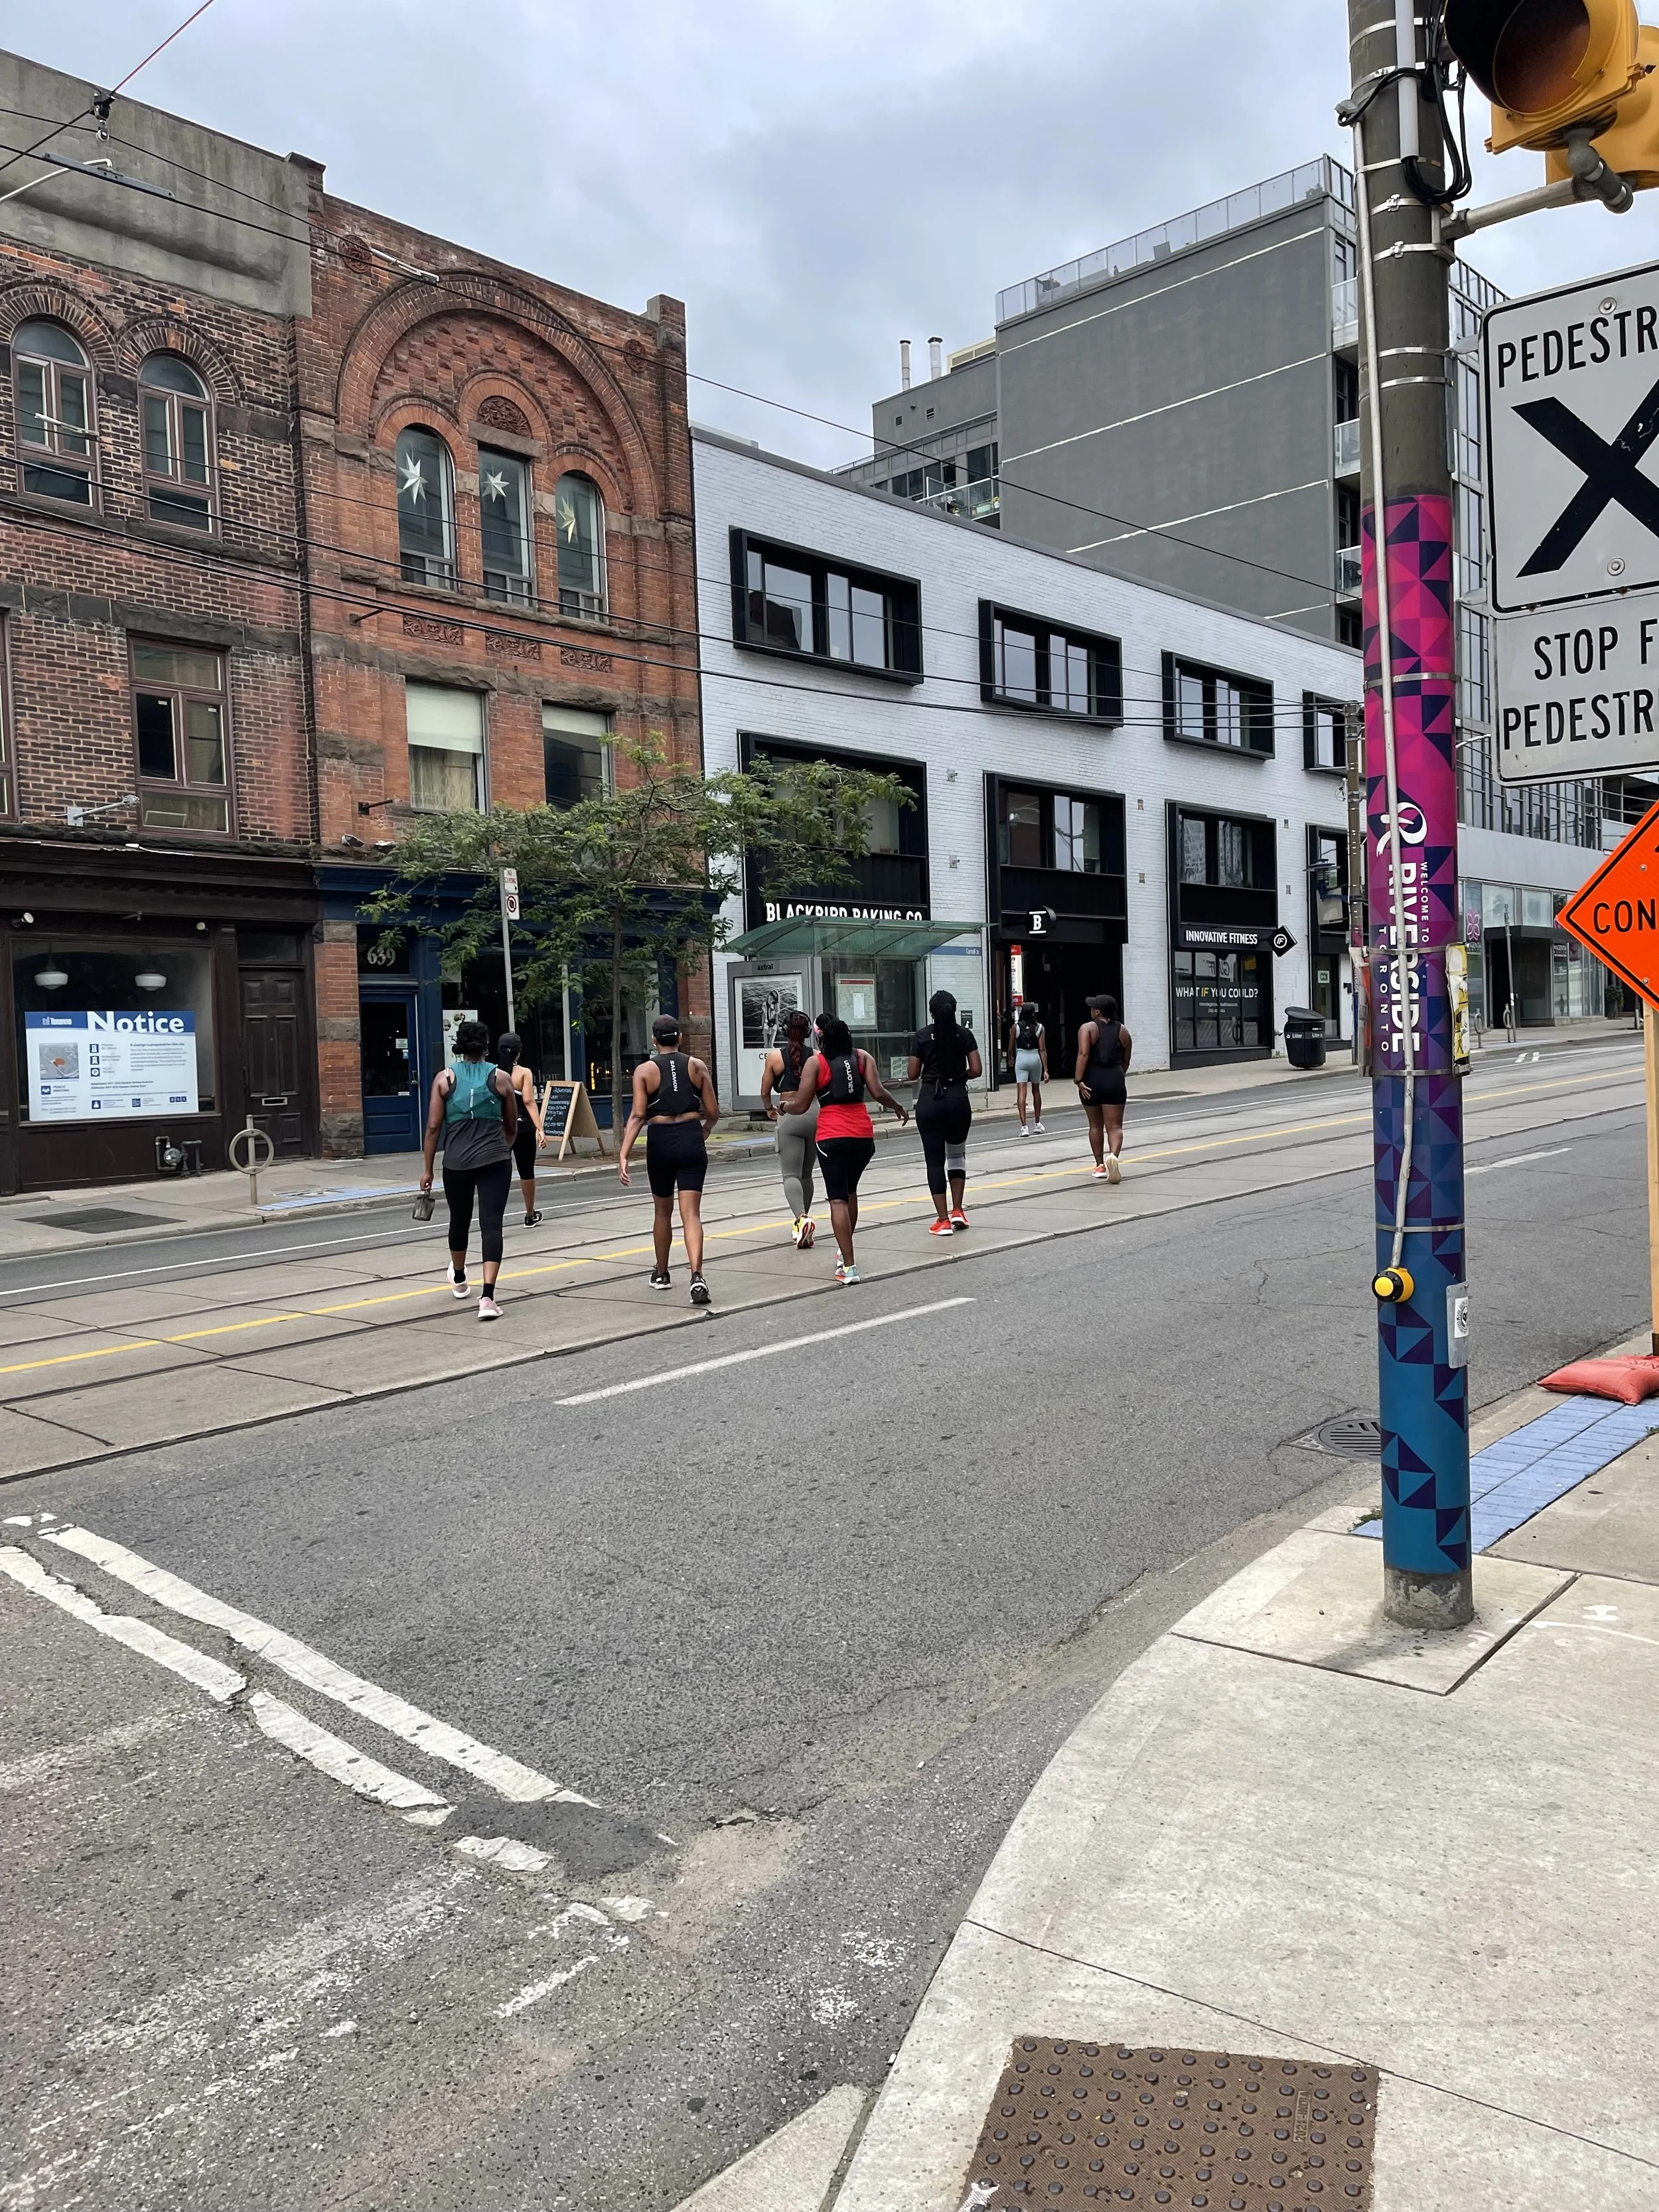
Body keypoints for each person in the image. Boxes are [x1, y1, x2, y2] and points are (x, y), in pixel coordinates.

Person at [786, 1014, 908, 1285]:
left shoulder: (815, 1063)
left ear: (822, 1039)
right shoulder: (863, 1058)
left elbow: (802, 1104)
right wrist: (897, 1105)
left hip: (832, 1137)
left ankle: (849, 1267)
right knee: (851, 1192)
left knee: (837, 1199)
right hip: (863, 1137)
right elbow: (877, 1091)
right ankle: (844, 1253)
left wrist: (784, 1107)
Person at [420, 1017, 518, 1321]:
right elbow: (512, 1125)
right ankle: (487, 1298)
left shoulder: (444, 1079)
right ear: (487, 1047)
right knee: (492, 1225)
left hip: (457, 1162)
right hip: (495, 1160)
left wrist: (428, 1170)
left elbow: (434, 1127)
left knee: (459, 1220)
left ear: (459, 1046)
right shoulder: (501, 1079)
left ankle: (460, 1278)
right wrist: (502, 1149)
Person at [618, 1013, 720, 1305]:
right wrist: (705, 1131)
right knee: (692, 1214)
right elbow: (712, 1111)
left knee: (663, 1212)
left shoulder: (644, 1071)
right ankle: (697, 1275)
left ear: (653, 1039)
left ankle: (662, 1273)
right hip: (690, 1137)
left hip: (660, 1141)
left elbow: (638, 1115)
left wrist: (624, 1154)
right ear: (680, 1038)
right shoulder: (697, 1066)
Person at [907, 990, 982, 1234]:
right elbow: (977, 1069)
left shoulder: (921, 1036)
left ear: (932, 1012)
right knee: (957, 1154)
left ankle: (942, 1220)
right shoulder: (964, 1034)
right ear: (954, 1009)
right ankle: (958, 1210)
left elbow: (912, 1074)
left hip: (931, 1098)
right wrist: (960, 1076)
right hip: (958, 1098)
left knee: (934, 1161)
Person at [760, 1008, 820, 1249]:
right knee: (806, 1174)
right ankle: (804, 1226)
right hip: (815, 1113)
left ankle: (801, 1218)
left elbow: (765, 1092)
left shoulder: (775, 1058)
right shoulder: (817, 1055)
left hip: (789, 1114)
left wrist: (768, 1108)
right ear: (808, 1033)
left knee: (791, 1175)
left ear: (784, 1031)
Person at [1076, 993, 1132, 1183]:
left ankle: (1100, 1165)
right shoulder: (1123, 1031)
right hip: (1115, 1078)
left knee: (1095, 1125)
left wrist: (1079, 1080)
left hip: (1091, 1079)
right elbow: (1126, 1060)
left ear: (1097, 1011)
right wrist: (1117, 1076)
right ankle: (1113, 1157)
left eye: (1093, 1007)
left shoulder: (1088, 1028)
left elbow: (1083, 1054)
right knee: (1115, 1126)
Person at [496, 1031, 545, 1227]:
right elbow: (529, 1101)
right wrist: (540, 1128)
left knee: (499, 1174)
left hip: (500, 1129)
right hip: (522, 1126)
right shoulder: (524, 1073)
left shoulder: (493, 1073)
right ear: (518, 1053)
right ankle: (530, 1213)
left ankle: (495, 1218)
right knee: (527, 1172)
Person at [1008, 999, 1048, 1135]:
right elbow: (1042, 1049)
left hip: (1021, 1058)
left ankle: (1024, 1127)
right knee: (1036, 1090)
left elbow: (1010, 1047)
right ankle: (1037, 1123)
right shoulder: (1040, 1028)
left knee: (1022, 1092)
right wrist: (1046, 1069)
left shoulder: (1016, 1027)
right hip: (1035, 1058)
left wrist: (1010, 1058)